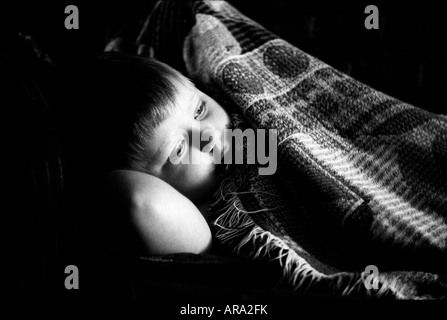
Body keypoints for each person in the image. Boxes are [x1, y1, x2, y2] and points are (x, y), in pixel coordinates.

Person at [61, 52, 233, 256]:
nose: (209, 135)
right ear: (150, 181)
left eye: (199, 110)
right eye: (178, 149)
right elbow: (140, 200)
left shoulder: (246, 128)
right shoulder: (195, 227)